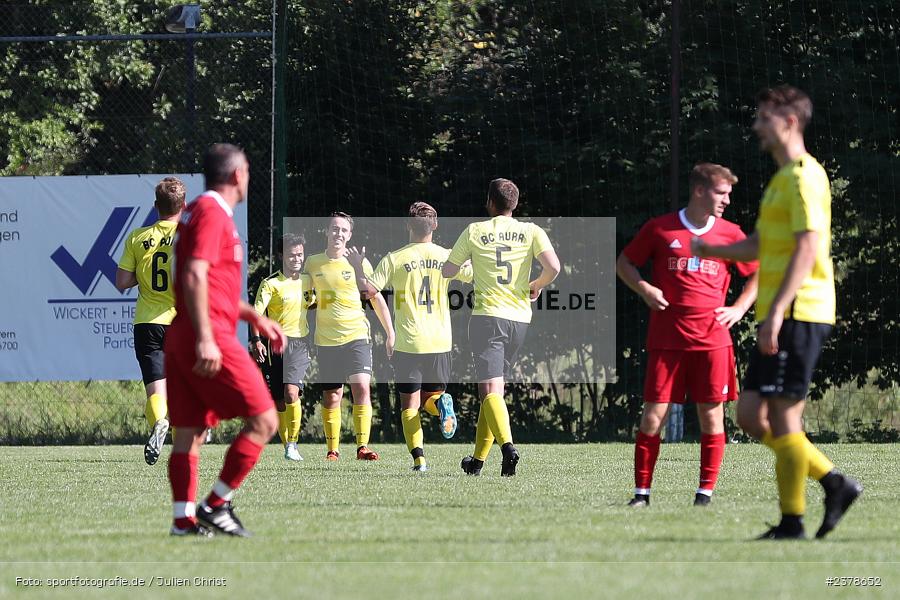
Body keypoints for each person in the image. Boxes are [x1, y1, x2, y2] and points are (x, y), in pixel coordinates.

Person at [693, 85, 862, 539]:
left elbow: (807, 248)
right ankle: (832, 481)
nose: (756, 126)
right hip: (783, 312)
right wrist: (709, 247)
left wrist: (777, 312)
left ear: (788, 122)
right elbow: (761, 245)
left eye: (764, 118)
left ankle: (793, 520)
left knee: (785, 418)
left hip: (801, 311)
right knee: (750, 414)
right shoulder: (781, 179)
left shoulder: (807, 176)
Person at [617, 163, 759, 507]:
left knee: (711, 416)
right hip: (667, 340)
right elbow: (624, 262)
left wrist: (739, 309)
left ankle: (704, 495)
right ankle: (641, 495)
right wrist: (644, 288)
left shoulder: (730, 233)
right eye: (720, 193)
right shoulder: (661, 228)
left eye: (728, 194)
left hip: (713, 341)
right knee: (653, 416)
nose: (726, 200)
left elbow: (758, 273)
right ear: (699, 191)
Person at [164, 143, 286, 537]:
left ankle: (183, 521)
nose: (248, 176)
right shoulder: (213, 212)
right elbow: (195, 275)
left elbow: (211, 285)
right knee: (266, 420)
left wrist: (253, 316)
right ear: (237, 175)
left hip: (187, 332)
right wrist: (206, 339)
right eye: (247, 170)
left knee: (190, 433)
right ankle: (216, 504)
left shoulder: (202, 211)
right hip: (207, 334)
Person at [442, 178, 560, 476]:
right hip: (519, 319)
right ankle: (477, 462)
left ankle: (508, 448)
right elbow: (554, 268)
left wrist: (470, 271)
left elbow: (449, 271)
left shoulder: (475, 231)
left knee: (488, 391)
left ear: (490, 202)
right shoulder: (531, 231)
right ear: (515, 204)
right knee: (494, 391)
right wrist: (536, 285)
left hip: (487, 318)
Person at [347, 202, 473, 472]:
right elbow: (473, 273)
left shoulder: (395, 258)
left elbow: (369, 291)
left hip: (409, 342)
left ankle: (420, 461)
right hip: (440, 341)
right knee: (431, 400)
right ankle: (442, 404)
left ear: (408, 226)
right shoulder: (446, 256)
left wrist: (358, 266)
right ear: (435, 225)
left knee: (409, 406)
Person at [303, 212, 394, 461]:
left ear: (350, 235)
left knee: (362, 387)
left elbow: (375, 298)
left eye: (343, 230)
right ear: (326, 231)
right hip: (326, 340)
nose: (338, 234)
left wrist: (390, 332)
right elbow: (302, 295)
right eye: (334, 229)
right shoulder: (312, 263)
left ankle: (362, 447)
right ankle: (332, 450)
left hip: (357, 336)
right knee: (333, 395)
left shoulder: (359, 262)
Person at [116, 177, 185, 466]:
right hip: (182, 321)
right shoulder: (191, 236)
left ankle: (160, 421)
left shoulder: (137, 237)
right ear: (184, 205)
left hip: (148, 322)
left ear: (156, 206)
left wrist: (142, 277)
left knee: (156, 389)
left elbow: (121, 282)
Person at [251, 233, 315, 462]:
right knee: (278, 400)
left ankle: (293, 444)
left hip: (299, 343)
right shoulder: (270, 284)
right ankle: (286, 444)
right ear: (281, 256)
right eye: (291, 255)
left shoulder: (310, 280)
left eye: (300, 254)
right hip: (274, 345)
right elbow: (256, 315)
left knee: (291, 393)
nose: (296, 259)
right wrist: (257, 341)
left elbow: (318, 304)